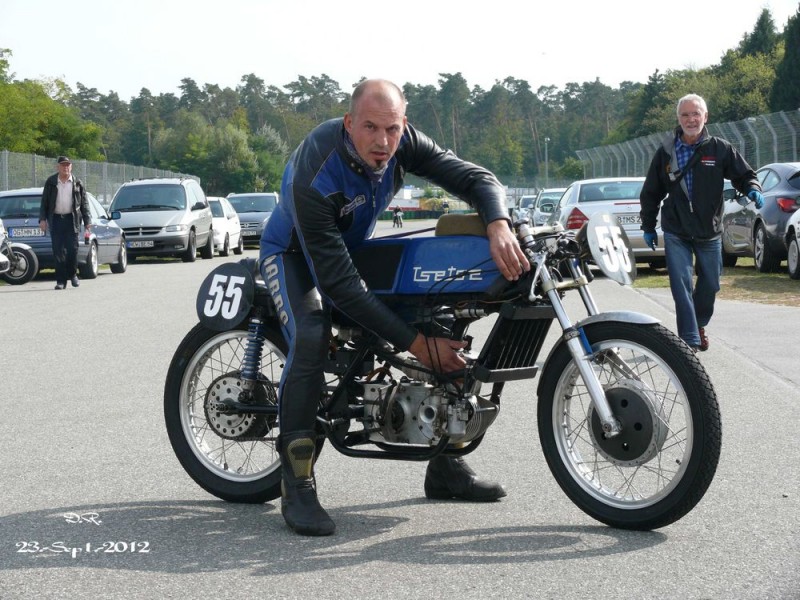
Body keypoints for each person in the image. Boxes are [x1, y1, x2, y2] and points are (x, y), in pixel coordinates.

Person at [259, 79, 529, 536]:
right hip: (291, 256)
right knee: (310, 332)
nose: (382, 142)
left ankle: (444, 465)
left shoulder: (403, 142)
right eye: (370, 127)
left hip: (350, 250)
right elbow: (340, 286)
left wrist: (498, 224)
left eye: (392, 129)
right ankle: (297, 484)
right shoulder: (316, 168)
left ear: (404, 125)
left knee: (442, 317)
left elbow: (475, 178)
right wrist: (417, 346)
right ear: (349, 124)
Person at [639, 93, 763, 352]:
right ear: (678, 118)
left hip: (709, 231)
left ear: (705, 117)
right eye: (685, 114)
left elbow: (745, 174)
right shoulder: (666, 152)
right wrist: (648, 226)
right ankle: (689, 340)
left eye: (696, 114)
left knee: (711, 283)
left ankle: (698, 323)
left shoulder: (720, 149)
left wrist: (752, 188)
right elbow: (651, 191)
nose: (691, 119)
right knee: (681, 284)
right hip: (676, 230)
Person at [39, 156, 92, 290]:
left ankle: (73, 275)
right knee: (58, 251)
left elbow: (84, 203)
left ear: (71, 167)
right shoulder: (51, 182)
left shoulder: (77, 183)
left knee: (73, 250)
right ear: (58, 167)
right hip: (56, 220)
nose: (65, 167)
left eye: (68, 165)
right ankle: (61, 281)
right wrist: (42, 219)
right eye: (63, 165)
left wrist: (87, 221)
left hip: (71, 219)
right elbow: (44, 202)